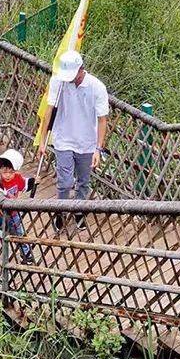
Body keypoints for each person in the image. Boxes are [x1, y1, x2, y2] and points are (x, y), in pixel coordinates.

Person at [36, 50, 109, 232]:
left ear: (81, 69)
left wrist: (98, 149)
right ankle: (60, 210)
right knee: (65, 181)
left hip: (87, 141)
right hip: (63, 138)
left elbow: (102, 120)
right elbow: (49, 111)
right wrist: (43, 139)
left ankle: (79, 210)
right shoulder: (58, 81)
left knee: (83, 181)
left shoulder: (96, 87)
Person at [0, 149, 35, 265]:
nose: (8, 175)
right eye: (4, 172)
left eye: (11, 172)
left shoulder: (17, 178)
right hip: (0, 214)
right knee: (3, 234)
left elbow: (25, 184)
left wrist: (34, 181)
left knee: (19, 233)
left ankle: (26, 255)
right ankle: (5, 253)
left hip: (14, 213)